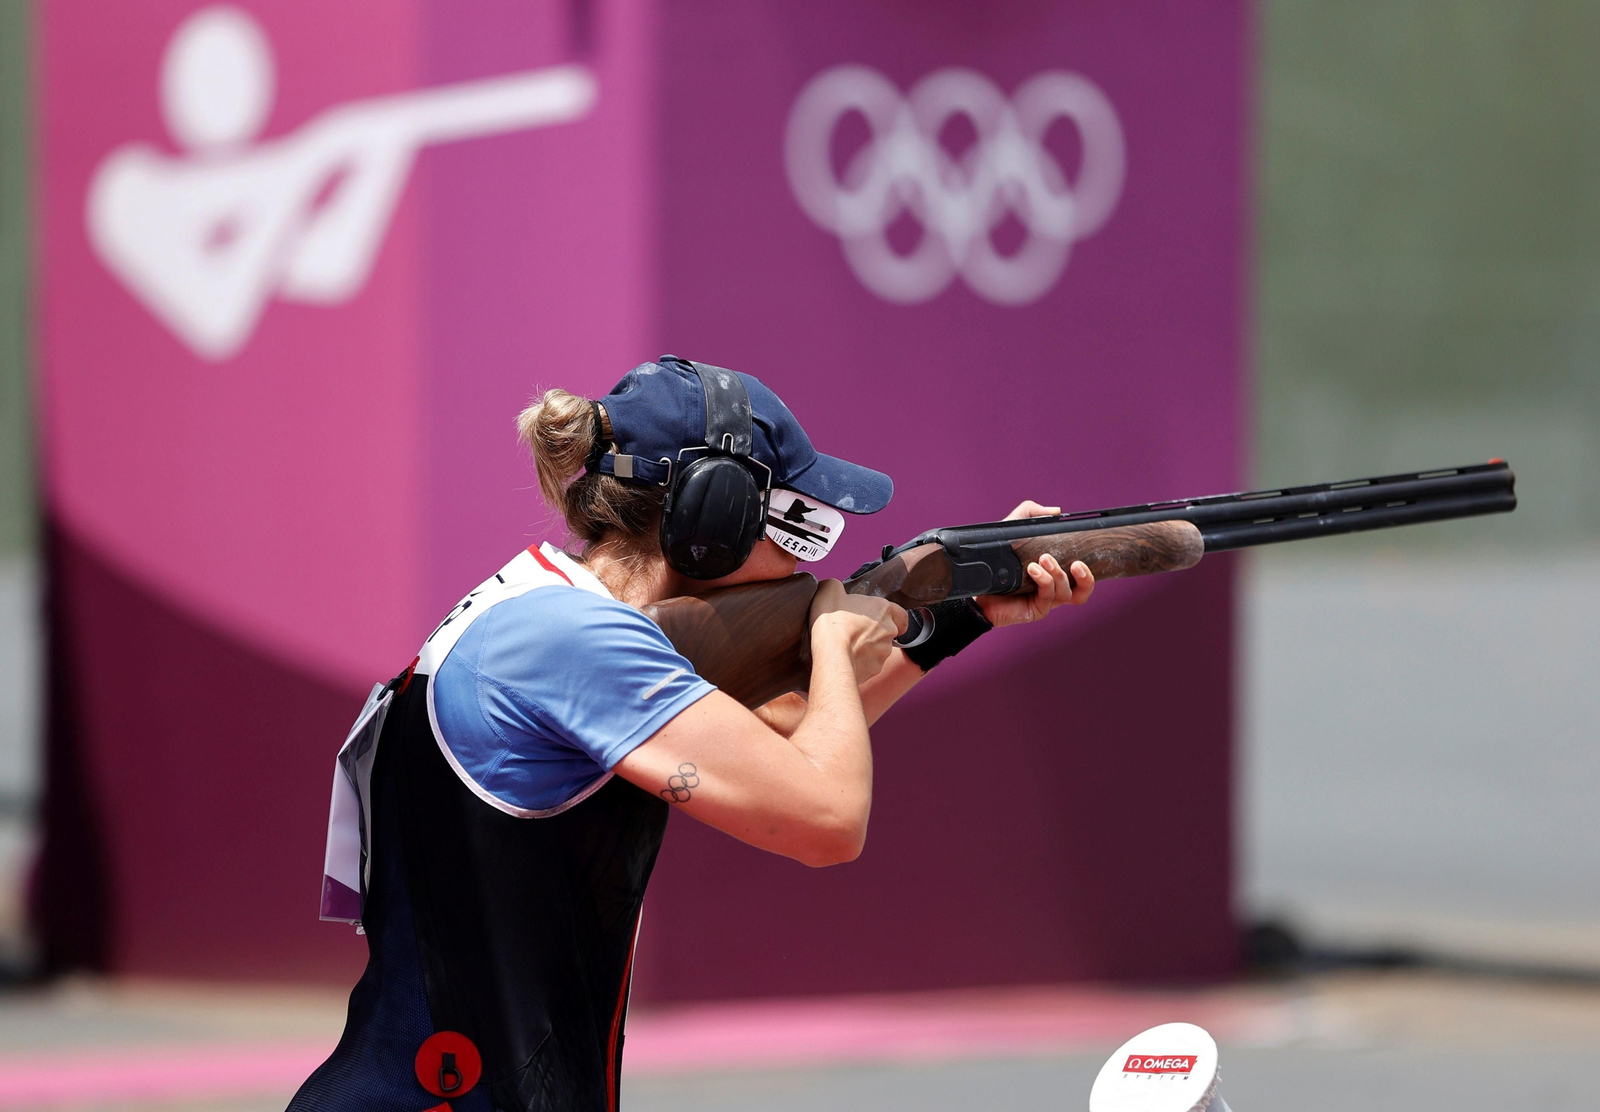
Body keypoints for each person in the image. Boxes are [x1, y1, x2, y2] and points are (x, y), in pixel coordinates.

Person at [288, 356, 1094, 1111]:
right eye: (801, 526)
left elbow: (783, 749)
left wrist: (961, 611)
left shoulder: (533, 613)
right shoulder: (577, 643)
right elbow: (825, 819)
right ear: (715, 514)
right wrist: (830, 642)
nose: (809, 559)